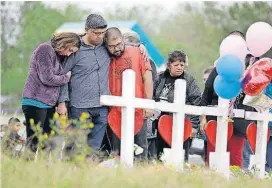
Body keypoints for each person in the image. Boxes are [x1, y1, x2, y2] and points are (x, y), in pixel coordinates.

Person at [57, 14, 149, 154]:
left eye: (102, 33)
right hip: (80, 106)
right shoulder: (75, 49)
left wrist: (140, 45)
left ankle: (89, 171)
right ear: (87, 30)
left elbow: (121, 44)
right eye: (96, 33)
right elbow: (62, 75)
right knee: (76, 145)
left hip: (102, 107)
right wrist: (62, 102)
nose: (99, 37)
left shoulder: (105, 46)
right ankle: (69, 171)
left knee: (94, 147)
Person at [200, 31, 257, 168]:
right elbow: (206, 94)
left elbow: (254, 95)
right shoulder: (218, 68)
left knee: (235, 159)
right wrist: (203, 117)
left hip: (238, 120)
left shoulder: (250, 70)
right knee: (212, 155)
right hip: (215, 118)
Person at [22, 32, 81, 152]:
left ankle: (43, 169)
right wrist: (66, 77)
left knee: (47, 143)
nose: (68, 54)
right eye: (69, 50)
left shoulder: (59, 55)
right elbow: (47, 78)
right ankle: (26, 169)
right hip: (35, 101)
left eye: (72, 53)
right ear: (65, 42)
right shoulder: (45, 49)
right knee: (33, 142)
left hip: (48, 104)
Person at [104, 27, 153, 160]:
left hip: (138, 109)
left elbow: (148, 78)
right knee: (116, 151)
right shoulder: (104, 55)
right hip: (114, 111)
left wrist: (148, 104)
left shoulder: (138, 52)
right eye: (112, 46)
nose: (117, 48)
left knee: (140, 149)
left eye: (119, 44)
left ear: (123, 40)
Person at [153, 50, 202, 161]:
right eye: (176, 65)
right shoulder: (160, 78)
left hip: (183, 123)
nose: (179, 67)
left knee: (180, 155)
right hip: (161, 122)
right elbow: (152, 95)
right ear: (169, 66)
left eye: (182, 65)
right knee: (161, 154)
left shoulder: (190, 80)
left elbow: (196, 103)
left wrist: (193, 126)